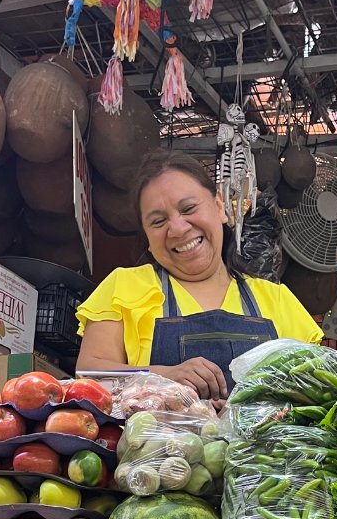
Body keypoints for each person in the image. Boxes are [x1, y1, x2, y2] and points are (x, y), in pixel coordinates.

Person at [75, 150, 323, 400]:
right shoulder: (125, 287)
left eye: (189, 208)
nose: (178, 228)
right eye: (158, 222)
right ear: (147, 239)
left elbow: (318, 388)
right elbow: (90, 376)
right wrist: (162, 376)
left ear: (219, 207)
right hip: (156, 439)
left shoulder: (276, 299)